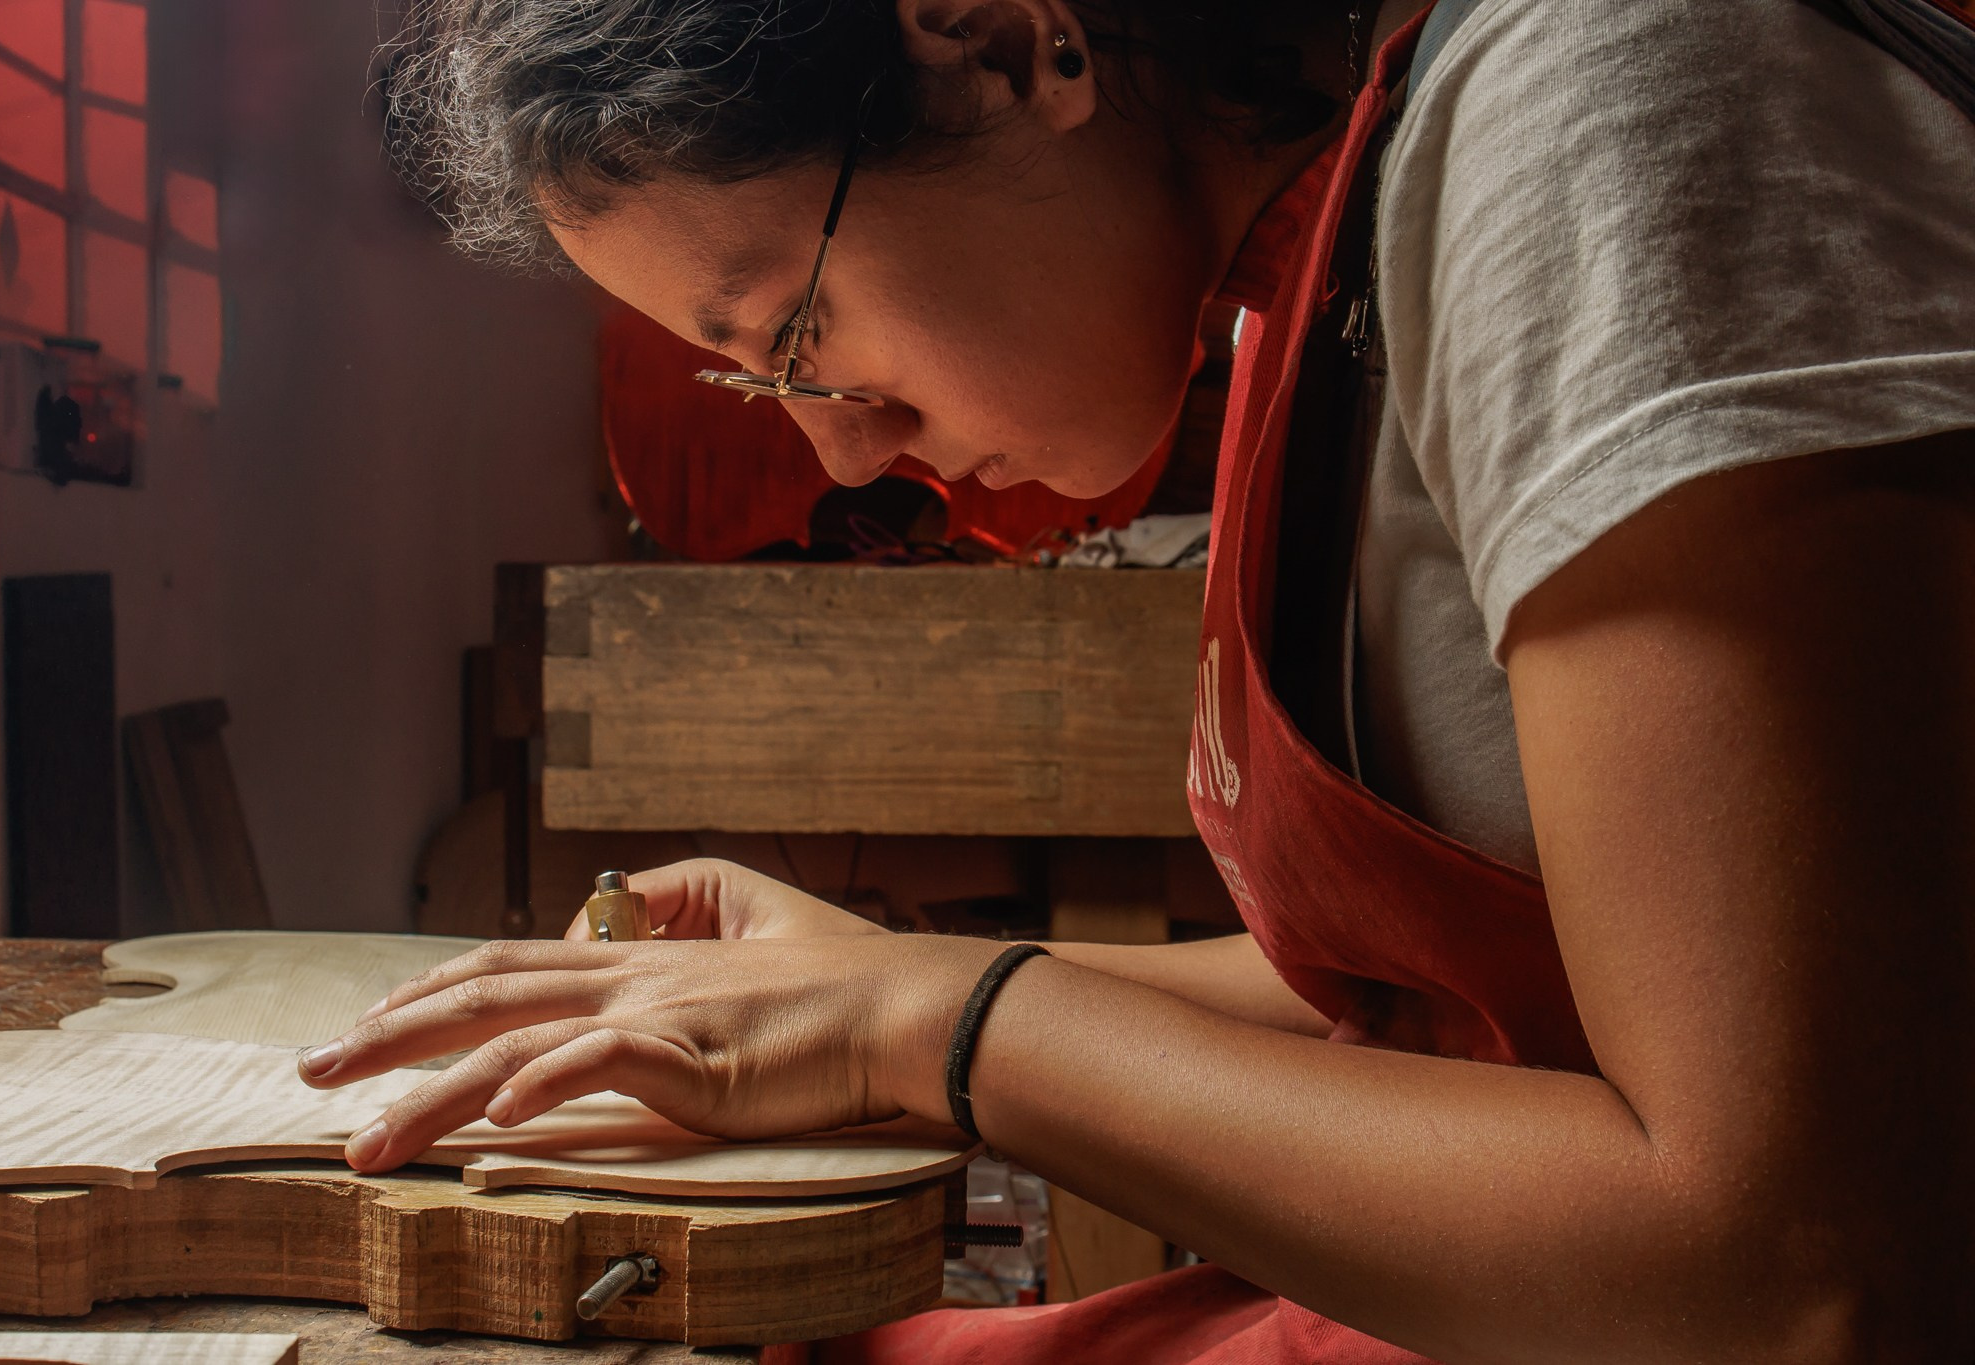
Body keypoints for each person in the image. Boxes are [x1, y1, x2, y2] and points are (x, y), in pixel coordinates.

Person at [299, 0, 1975, 1357]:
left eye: (795, 335)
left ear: (1010, 44)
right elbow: (1440, 994)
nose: (841, 448)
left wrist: (937, 1027)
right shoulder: (1297, 280)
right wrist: (877, 981)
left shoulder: (1603, 100)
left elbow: (1802, 1267)